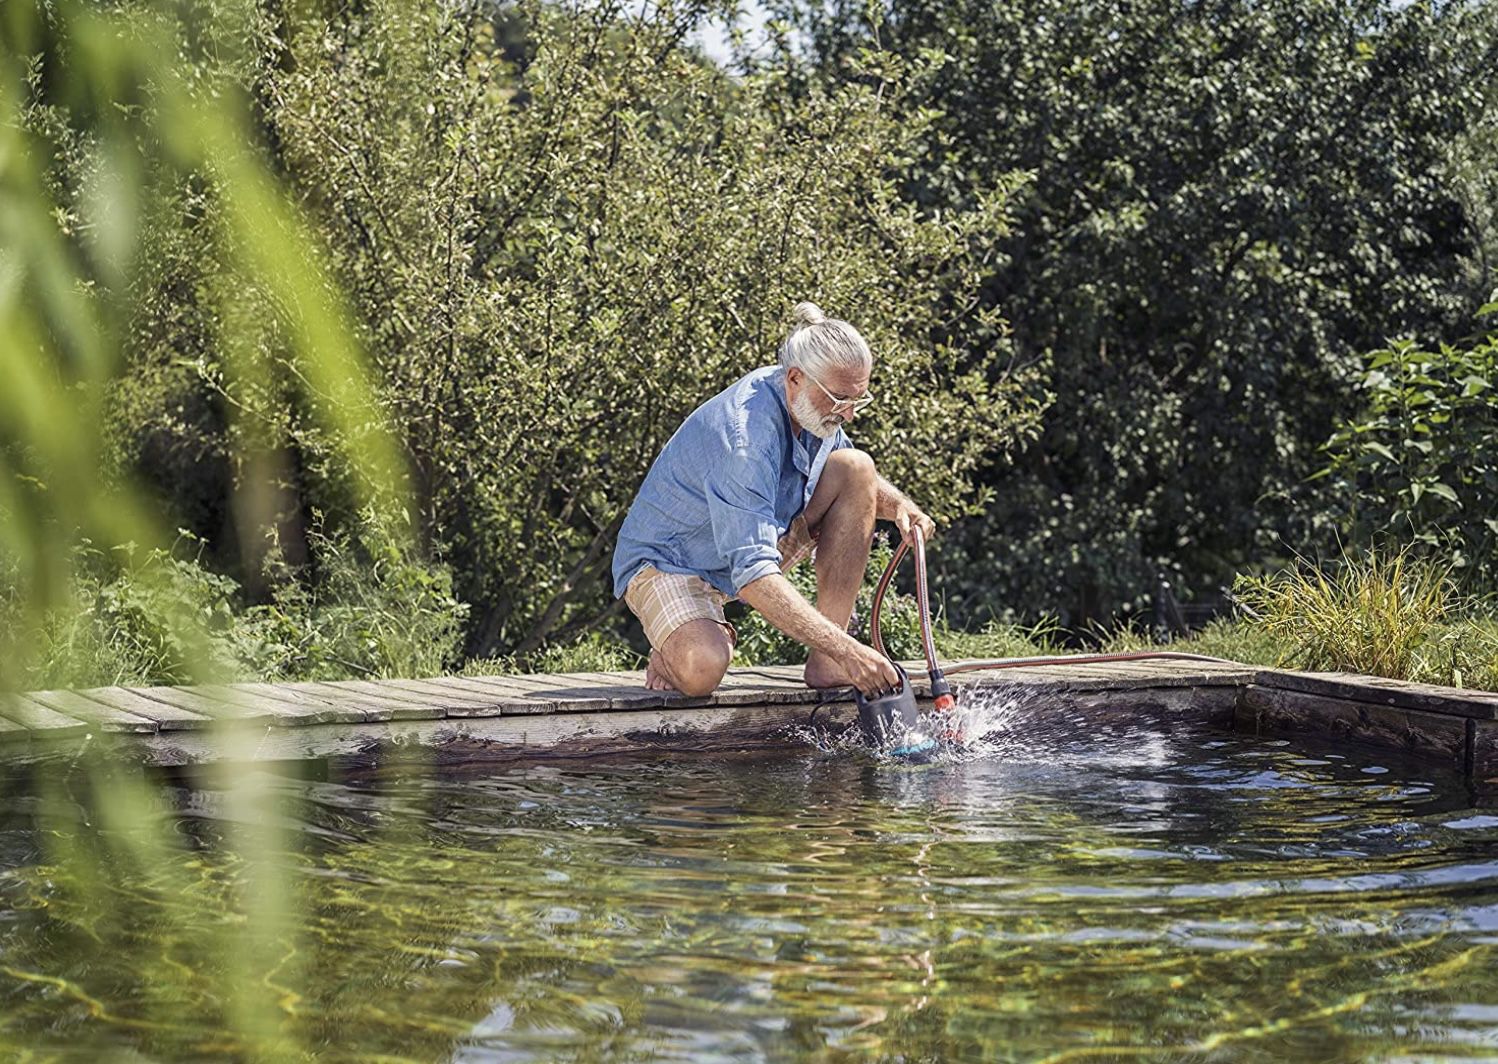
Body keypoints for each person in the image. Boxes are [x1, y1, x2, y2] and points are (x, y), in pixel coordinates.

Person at [611, 301, 936, 697]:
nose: (848, 415)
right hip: (670, 563)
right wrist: (852, 650)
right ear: (796, 378)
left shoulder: (813, 403)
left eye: (857, 401)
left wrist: (901, 506)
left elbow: (854, 481)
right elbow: (752, 575)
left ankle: (828, 662)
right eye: (839, 401)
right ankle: (673, 648)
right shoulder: (745, 441)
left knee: (856, 467)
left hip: (749, 543)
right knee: (702, 668)